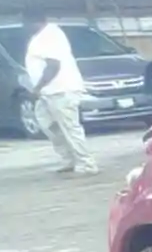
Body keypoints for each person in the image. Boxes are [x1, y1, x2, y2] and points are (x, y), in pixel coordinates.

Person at [21, 14, 97, 175]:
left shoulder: (50, 35)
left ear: (35, 20)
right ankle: (68, 158)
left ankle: (87, 163)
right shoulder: (40, 36)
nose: (24, 26)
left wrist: (37, 87)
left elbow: (53, 65)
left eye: (25, 22)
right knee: (47, 123)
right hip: (47, 93)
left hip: (61, 90)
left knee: (70, 127)